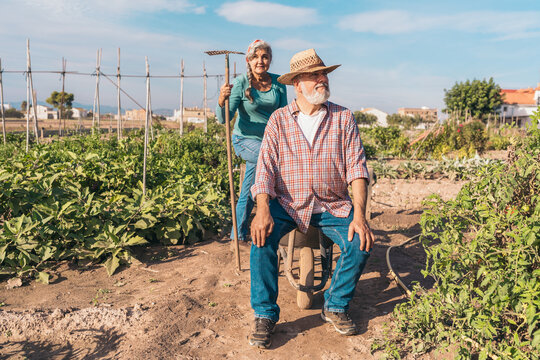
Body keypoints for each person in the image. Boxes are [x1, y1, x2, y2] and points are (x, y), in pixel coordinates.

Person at [248, 48, 375, 348]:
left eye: (323, 74)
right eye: (314, 76)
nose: (322, 80)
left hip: (332, 204)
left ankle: (335, 305)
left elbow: (357, 168)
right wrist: (262, 208)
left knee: (361, 242)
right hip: (288, 205)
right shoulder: (279, 121)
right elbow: (264, 169)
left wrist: (360, 215)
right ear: (297, 84)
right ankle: (265, 314)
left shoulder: (343, 118)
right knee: (261, 238)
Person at [216, 39, 287, 244]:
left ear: (270, 60)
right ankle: (247, 229)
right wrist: (222, 100)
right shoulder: (240, 83)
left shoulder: (279, 83)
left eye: (264, 56)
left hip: (270, 144)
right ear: (249, 60)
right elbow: (223, 119)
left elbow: (283, 116)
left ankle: (236, 237)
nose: (260, 60)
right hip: (244, 140)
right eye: (255, 57)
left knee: (249, 187)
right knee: (267, 163)